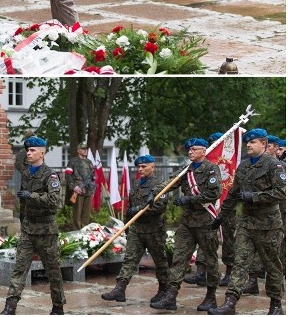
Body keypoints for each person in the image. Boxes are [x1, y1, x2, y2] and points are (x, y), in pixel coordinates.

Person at [209, 129, 285, 315]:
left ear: (263, 144)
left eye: (253, 142)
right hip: (246, 223)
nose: (248, 145)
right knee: (240, 262)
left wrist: (255, 196)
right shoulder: (243, 167)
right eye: (247, 142)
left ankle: (275, 304)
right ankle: (230, 302)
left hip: (268, 225)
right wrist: (221, 216)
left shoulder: (274, 166)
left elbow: (281, 193)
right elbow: (233, 194)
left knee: (272, 264)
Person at [151, 138, 222, 312]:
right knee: (179, 258)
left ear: (203, 151)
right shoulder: (186, 171)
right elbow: (169, 183)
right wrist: (153, 194)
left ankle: (211, 296)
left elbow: (214, 193)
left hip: (206, 221)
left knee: (211, 260)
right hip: (187, 223)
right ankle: (171, 296)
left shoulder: (211, 169)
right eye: (189, 149)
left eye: (194, 149)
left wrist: (190, 199)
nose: (190, 151)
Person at [0, 136, 65, 315]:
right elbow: (19, 160)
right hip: (29, 230)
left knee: (53, 272)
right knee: (19, 269)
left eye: (32, 150)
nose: (28, 153)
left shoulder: (49, 175)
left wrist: (33, 196)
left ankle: (58, 307)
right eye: (27, 150)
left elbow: (55, 202)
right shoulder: (27, 173)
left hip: (46, 232)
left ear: (42, 152)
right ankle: (10, 307)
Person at [101, 154, 170, 304]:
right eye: (139, 167)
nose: (140, 169)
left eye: (144, 166)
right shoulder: (137, 183)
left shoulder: (160, 184)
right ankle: (120, 289)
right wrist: (126, 225)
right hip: (137, 230)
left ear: (152, 166)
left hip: (154, 231)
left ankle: (164, 289)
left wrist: (138, 209)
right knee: (129, 259)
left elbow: (159, 207)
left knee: (160, 261)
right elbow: (130, 208)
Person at [65, 142, 95, 230]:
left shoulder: (89, 162)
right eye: (83, 149)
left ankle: (85, 232)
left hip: (88, 189)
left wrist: (93, 189)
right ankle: (77, 232)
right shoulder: (73, 161)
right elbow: (68, 175)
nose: (85, 150)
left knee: (86, 213)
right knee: (77, 213)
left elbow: (92, 176)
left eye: (86, 149)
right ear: (78, 150)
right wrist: (74, 187)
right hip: (78, 188)